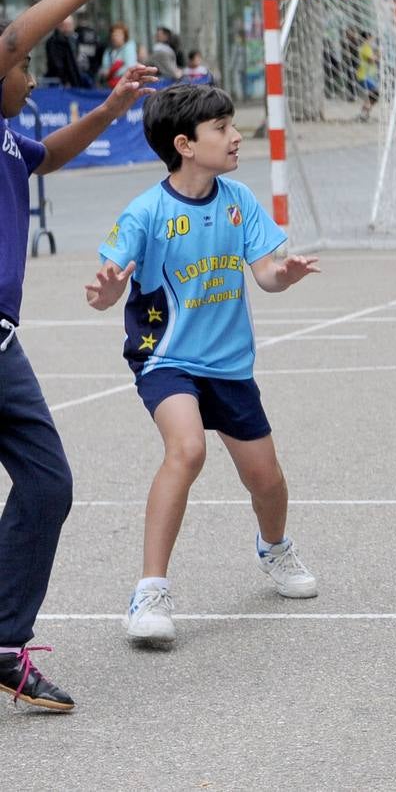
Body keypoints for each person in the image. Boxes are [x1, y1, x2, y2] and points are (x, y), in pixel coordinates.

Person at [85, 83, 321, 646]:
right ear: (185, 144)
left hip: (229, 363)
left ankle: (275, 548)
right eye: (222, 128)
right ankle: (150, 589)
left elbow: (264, 272)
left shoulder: (238, 200)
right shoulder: (146, 212)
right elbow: (102, 293)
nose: (236, 135)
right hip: (165, 358)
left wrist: (281, 276)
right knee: (186, 449)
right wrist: (104, 292)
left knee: (267, 479)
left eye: (232, 124)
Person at [0, 0, 170, 712]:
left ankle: (5, 643)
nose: (31, 78)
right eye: (24, 70)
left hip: (3, 346)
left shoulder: (6, 135)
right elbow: (11, 38)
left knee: (48, 483)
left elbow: (43, 161)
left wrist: (107, 110)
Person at [43, 17, 89, 88]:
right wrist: (65, 80)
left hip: (74, 78)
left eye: (71, 25)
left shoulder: (73, 39)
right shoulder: (53, 42)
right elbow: (57, 64)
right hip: (60, 82)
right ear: (61, 26)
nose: (71, 28)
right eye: (68, 25)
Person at [98, 21, 138, 88]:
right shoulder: (109, 51)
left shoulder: (129, 46)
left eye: (118, 35)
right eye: (113, 35)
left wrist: (112, 73)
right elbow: (104, 67)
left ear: (124, 36)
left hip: (125, 82)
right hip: (111, 84)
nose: (115, 37)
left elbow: (130, 66)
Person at [356, 31, 380, 121]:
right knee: (375, 92)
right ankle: (363, 113)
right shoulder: (365, 47)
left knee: (375, 95)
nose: (373, 41)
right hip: (363, 76)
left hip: (368, 76)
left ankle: (365, 113)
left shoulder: (367, 47)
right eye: (372, 38)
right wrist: (379, 54)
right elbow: (371, 60)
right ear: (367, 38)